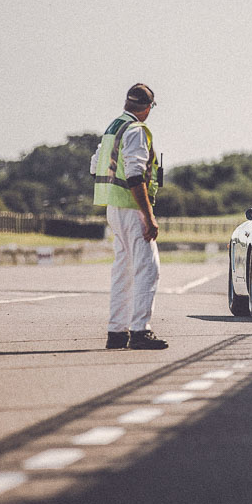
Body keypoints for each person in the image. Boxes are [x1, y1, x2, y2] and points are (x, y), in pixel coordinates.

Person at [91, 83, 168, 350]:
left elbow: (95, 166)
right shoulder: (136, 130)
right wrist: (149, 215)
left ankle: (116, 332)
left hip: (114, 207)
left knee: (123, 271)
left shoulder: (114, 128)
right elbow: (135, 175)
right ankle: (139, 331)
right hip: (132, 206)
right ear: (147, 108)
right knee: (148, 269)